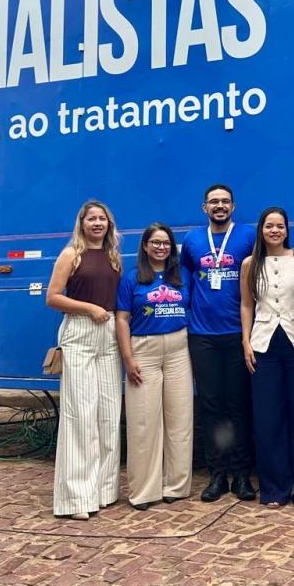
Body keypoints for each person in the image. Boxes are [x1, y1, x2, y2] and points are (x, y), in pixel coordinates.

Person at [180, 183, 258, 502]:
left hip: (238, 335)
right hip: (203, 336)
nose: (220, 206)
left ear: (233, 206)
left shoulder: (248, 237)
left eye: (225, 201)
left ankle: (241, 476)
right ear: (205, 208)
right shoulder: (192, 241)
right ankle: (217, 476)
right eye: (214, 202)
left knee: (239, 407)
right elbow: (185, 281)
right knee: (211, 408)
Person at [46, 199, 123, 520]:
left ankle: (103, 490)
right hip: (80, 332)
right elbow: (53, 297)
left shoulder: (113, 258)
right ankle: (76, 498)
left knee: (108, 413)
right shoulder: (71, 255)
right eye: (91, 219)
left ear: (109, 224)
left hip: (108, 336)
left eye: (102, 219)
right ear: (82, 223)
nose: (96, 223)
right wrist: (88, 308)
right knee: (80, 414)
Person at [240, 207, 294, 507]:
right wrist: (245, 341)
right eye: (269, 226)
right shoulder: (249, 263)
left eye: (280, 226)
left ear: (287, 230)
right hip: (263, 345)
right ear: (261, 229)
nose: (274, 231)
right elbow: (246, 305)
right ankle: (274, 488)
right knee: (268, 418)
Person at [115, 223, 193, 510]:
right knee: (144, 422)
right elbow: (121, 319)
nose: (161, 247)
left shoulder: (182, 276)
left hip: (178, 348)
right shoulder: (132, 279)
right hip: (143, 350)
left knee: (180, 420)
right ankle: (144, 490)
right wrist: (128, 359)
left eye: (166, 243)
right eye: (155, 243)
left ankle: (176, 485)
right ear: (145, 246)